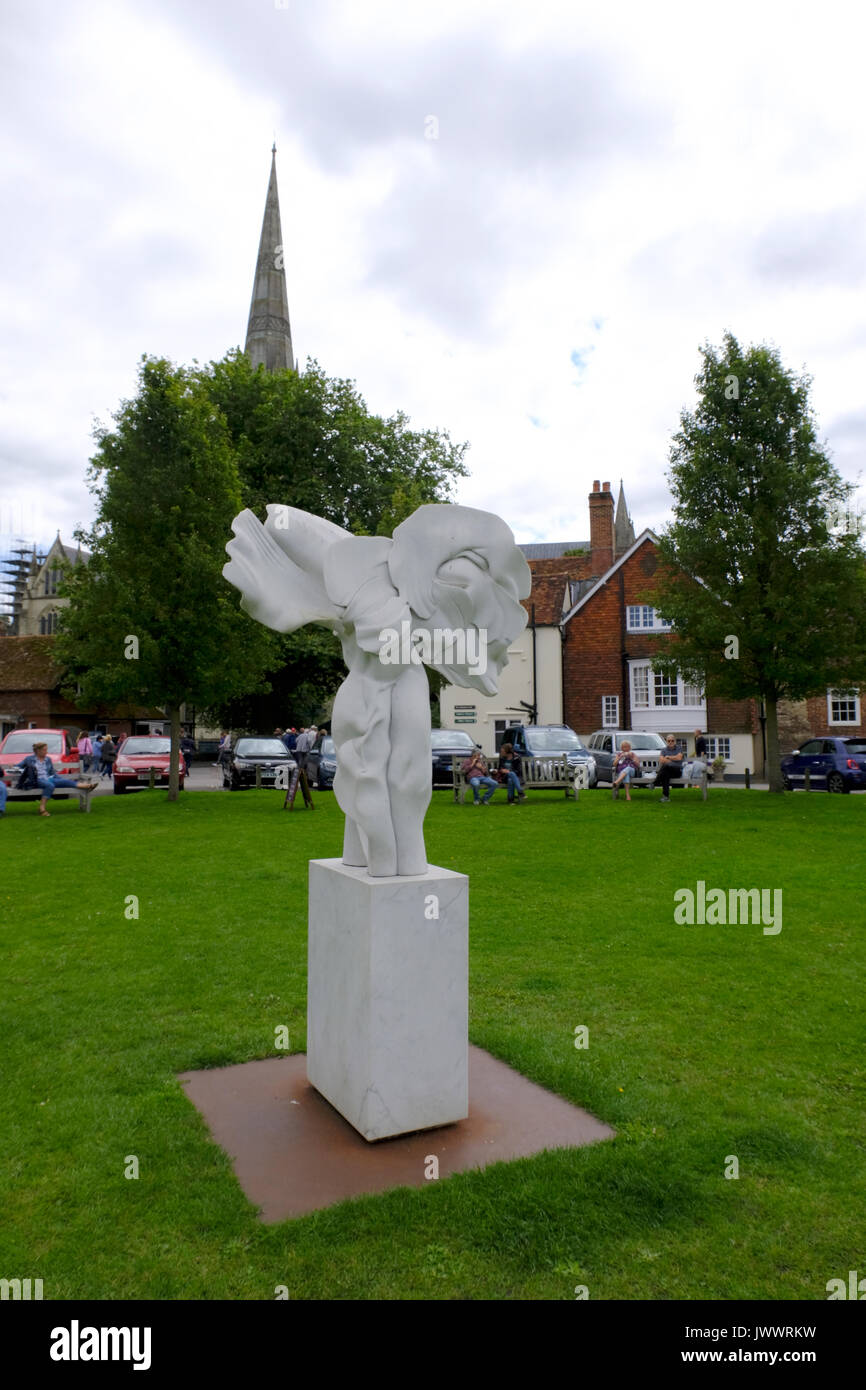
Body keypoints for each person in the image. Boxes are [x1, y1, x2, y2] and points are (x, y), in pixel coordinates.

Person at [15, 741, 98, 817]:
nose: (46, 752)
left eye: (46, 750)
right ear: (38, 751)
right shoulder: (29, 759)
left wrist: (59, 780)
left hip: (48, 779)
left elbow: (52, 773)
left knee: (65, 781)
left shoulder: (48, 759)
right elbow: (18, 767)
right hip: (37, 780)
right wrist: (15, 767)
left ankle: (87, 786)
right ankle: (42, 809)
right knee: (50, 785)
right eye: (44, 750)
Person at [655, 735, 683, 802]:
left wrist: (668, 757)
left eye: (672, 740)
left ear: (675, 741)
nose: (671, 742)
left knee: (666, 767)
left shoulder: (679, 748)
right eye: (669, 741)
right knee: (665, 773)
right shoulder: (664, 750)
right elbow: (661, 760)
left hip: (677, 771)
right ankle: (666, 797)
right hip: (667, 771)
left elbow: (679, 758)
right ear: (666, 741)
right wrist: (673, 758)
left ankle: (656, 782)